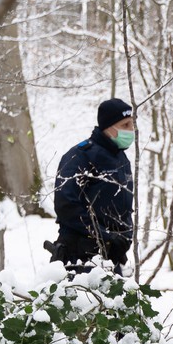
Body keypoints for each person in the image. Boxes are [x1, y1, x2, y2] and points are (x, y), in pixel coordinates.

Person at [48, 99, 136, 272]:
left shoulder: (122, 159)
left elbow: (124, 206)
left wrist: (124, 237)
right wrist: (104, 235)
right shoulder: (80, 156)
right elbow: (66, 205)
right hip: (80, 256)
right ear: (108, 127)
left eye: (132, 124)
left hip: (112, 257)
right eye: (125, 125)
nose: (131, 130)